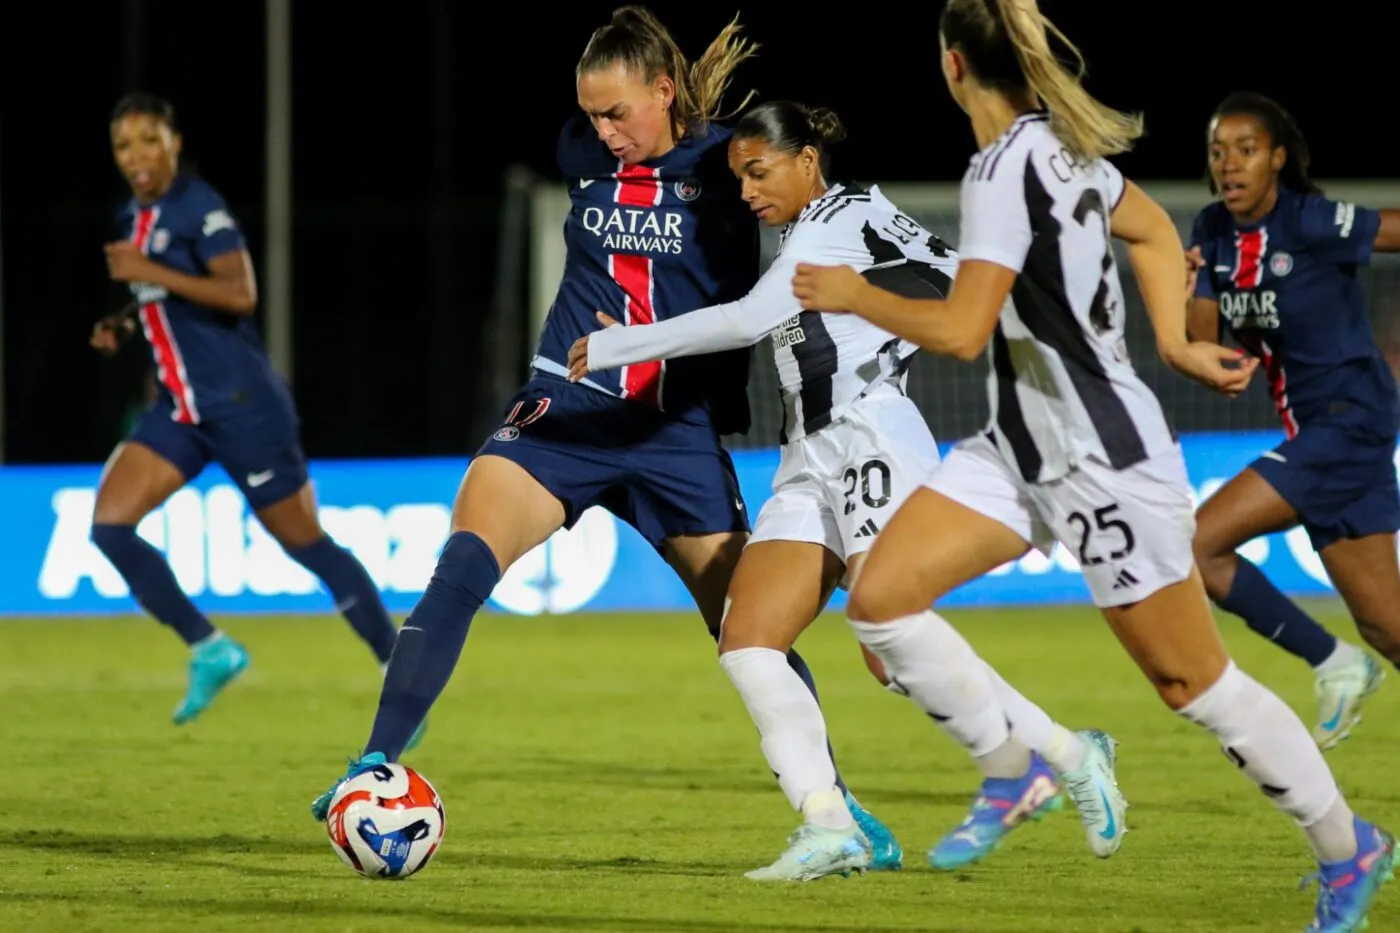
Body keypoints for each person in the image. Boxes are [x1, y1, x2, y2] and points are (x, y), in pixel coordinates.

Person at [790, 1, 1393, 927]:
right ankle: (1017, 767)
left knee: (1194, 684)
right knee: (880, 598)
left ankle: (1351, 847)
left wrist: (858, 293)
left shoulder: (1001, 170)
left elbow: (960, 329)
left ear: (953, 69)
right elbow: (1155, 230)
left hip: (1100, 460)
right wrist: (1177, 341)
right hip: (1018, 446)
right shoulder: (1060, 147)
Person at [306, 8, 902, 868]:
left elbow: (799, 225)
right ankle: (375, 763)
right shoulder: (581, 153)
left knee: (748, 628)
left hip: (674, 429)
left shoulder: (730, 162)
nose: (603, 132)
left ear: (665, 93)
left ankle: (837, 812)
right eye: (591, 115)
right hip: (566, 412)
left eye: (618, 112)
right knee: (462, 563)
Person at [569, 99, 1126, 878]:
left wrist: (625, 342)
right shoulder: (827, 227)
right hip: (809, 453)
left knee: (888, 648)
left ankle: (1069, 751)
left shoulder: (843, 213)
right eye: (739, 179)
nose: (750, 191)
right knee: (748, 638)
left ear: (807, 161)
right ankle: (830, 825)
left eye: (759, 172)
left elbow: (750, 319)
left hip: (871, 435)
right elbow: (938, 270)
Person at [93, 92, 417, 737]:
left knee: (304, 543)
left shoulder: (198, 206)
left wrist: (146, 271)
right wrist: (124, 320)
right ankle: (210, 648)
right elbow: (165, 293)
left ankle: (401, 676)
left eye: (149, 140)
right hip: (181, 410)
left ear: (174, 143)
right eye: (125, 145)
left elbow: (239, 294)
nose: (138, 156)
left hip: (243, 407)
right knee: (110, 526)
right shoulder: (134, 214)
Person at [1187, 91, 1400, 751]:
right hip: (1323, 436)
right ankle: (1349, 657)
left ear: (1278, 157)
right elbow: (1204, 341)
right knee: (1388, 626)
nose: (1230, 164)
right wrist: (1188, 292)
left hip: (1351, 420)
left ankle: (1331, 661)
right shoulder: (1213, 231)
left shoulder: (1310, 221)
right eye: (1219, 151)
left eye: (1246, 149)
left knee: (1196, 546)